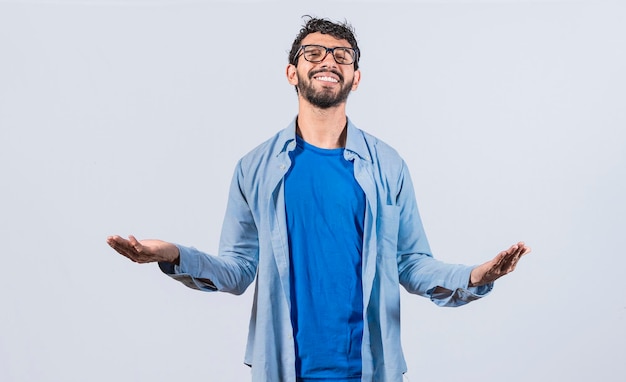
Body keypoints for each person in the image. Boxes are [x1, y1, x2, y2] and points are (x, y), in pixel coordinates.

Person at [107, 16, 531, 382]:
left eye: (341, 56)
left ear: (356, 78)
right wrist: (173, 254)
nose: (328, 61)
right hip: (283, 368)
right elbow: (237, 269)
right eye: (313, 53)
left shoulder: (388, 165)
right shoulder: (254, 168)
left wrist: (475, 276)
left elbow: (411, 263)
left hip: (372, 368)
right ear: (292, 72)